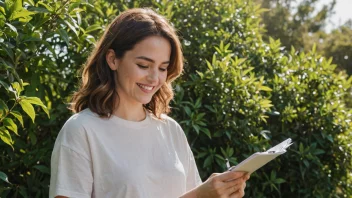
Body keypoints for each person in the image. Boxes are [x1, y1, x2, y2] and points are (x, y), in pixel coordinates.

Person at [49, 8, 250, 198]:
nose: (154, 78)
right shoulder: (81, 130)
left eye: (163, 68)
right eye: (143, 65)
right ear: (112, 59)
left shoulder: (171, 130)